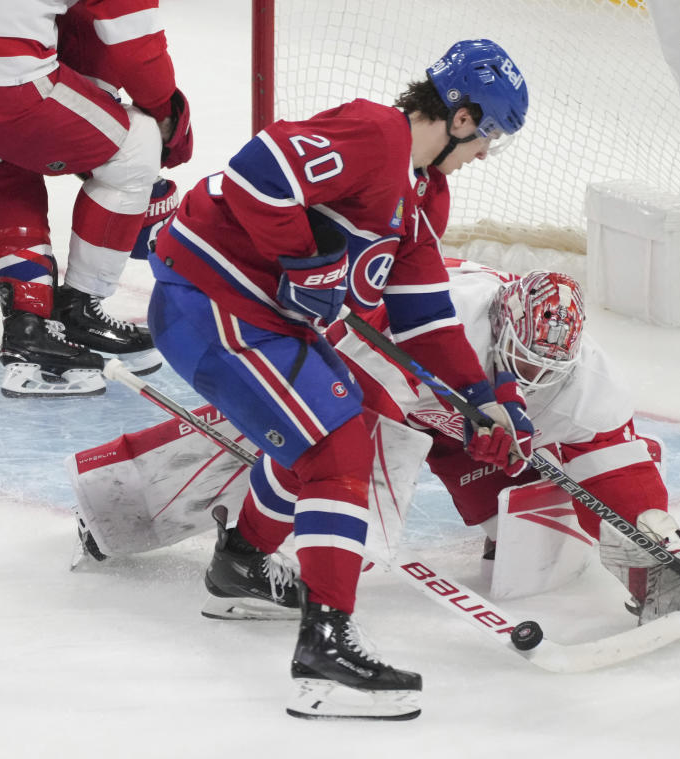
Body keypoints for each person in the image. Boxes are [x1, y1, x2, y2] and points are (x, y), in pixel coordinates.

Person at [146, 39, 531, 720]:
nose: (481, 157)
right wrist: (301, 258)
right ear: (464, 118)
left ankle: (240, 564)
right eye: (487, 139)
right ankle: (325, 651)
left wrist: (481, 401)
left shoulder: (416, 198)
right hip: (208, 300)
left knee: (334, 419)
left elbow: (422, 317)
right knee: (337, 445)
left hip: (253, 317)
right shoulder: (376, 134)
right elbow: (256, 170)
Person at [329, 259, 680, 632]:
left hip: (460, 424)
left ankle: (660, 572)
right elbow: (345, 402)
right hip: (386, 385)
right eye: (525, 363)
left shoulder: (590, 381)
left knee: (510, 532)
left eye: (547, 368)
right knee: (338, 494)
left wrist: (658, 553)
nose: (534, 377)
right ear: (498, 329)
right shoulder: (431, 325)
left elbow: (619, 468)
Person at [0, 0, 192, 397]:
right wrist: (168, 115)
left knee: (0, 170)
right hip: (2, 86)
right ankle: (80, 308)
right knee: (136, 144)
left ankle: (28, 326)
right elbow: (133, 42)